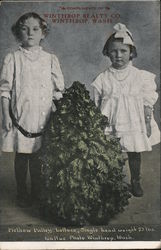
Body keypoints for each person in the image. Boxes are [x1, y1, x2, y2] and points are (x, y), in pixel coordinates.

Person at [0, 12, 64, 207]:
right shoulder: (13, 59)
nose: (30, 33)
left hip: (43, 117)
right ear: (18, 32)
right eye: (25, 29)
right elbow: (5, 90)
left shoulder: (50, 59)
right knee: (22, 155)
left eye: (35, 29)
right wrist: (5, 116)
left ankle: (36, 190)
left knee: (37, 157)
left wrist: (58, 109)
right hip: (21, 117)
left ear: (43, 33)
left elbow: (58, 90)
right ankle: (21, 191)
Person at [91, 23, 160, 197]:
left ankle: (135, 180)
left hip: (134, 121)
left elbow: (147, 99)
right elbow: (97, 103)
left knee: (134, 151)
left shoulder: (140, 76)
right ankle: (112, 180)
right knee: (111, 152)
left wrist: (146, 118)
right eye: (113, 51)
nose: (118, 55)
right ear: (107, 53)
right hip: (111, 121)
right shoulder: (103, 78)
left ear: (131, 53)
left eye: (123, 51)